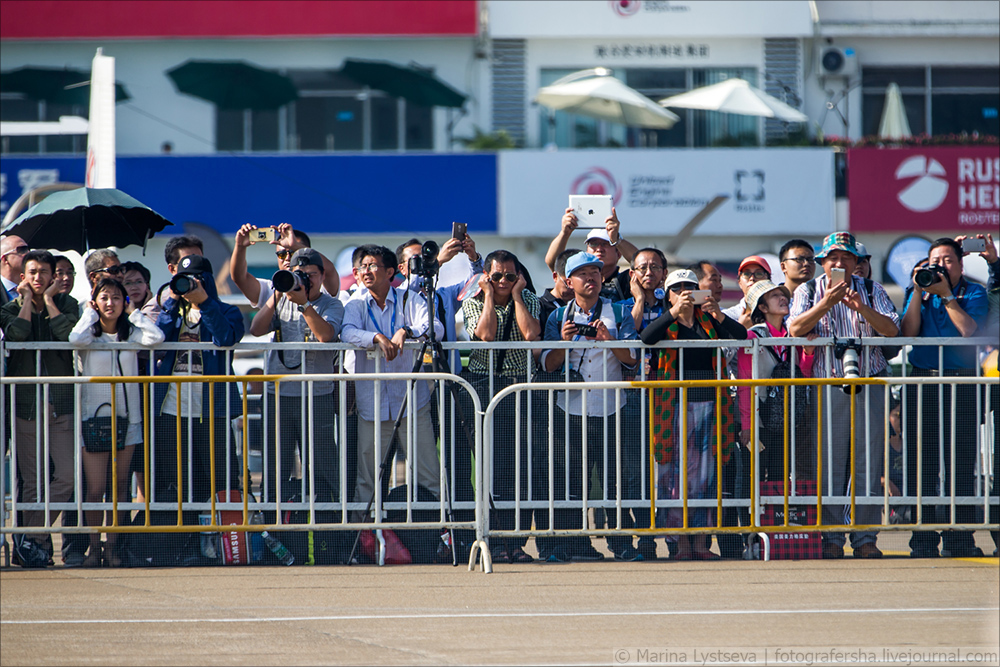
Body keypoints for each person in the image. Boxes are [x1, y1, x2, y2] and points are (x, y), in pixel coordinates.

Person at [788, 232, 900, 560]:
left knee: (868, 463)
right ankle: (832, 537)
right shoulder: (809, 289)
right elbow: (794, 329)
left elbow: (892, 330)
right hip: (827, 383)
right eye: (833, 258)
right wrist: (827, 304)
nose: (839, 263)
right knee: (830, 464)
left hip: (871, 380)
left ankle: (865, 537)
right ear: (823, 262)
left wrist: (859, 307)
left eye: (846, 258)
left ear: (856, 262)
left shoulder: (872, 289)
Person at [539, 252, 642, 562]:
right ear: (568, 281)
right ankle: (567, 543)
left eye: (595, 272)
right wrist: (564, 343)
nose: (591, 278)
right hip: (568, 410)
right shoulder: (558, 317)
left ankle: (621, 542)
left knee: (616, 479)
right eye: (582, 273)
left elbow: (633, 359)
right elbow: (547, 364)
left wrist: (608, 339)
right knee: (569, 479)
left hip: (613, 408)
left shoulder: (620, 312)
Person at [641, 269, 747, 560]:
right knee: (674, 480)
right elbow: (646, 339)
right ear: (668, 294)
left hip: (710, 409)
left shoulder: (709, 319)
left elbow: (741, 336)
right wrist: (674, 312)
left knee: (705, 479)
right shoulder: (666, 321)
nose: (685, 292)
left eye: (690, 287)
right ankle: (680, 544)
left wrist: (718, 314)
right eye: (678, 288)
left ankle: (701, 543)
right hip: (672, 409)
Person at [900, 237, 988, 558]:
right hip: (922, 383)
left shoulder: (973, 292)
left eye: (948, 260)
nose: (940, 266)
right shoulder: (918, 291)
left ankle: (960, 539)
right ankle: (922, 539)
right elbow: (908, 333)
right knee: (920, 464)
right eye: (934, 260)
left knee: (961, 464)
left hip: (961, 383)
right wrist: (918, 293)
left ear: (961, 265)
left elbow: (969, 331)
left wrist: (947, 296)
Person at [340, 245, 444, 517]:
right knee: (368, 479)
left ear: (390, 272)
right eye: (363, 267)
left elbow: (436, 328)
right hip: (370, 403)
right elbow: (347, 332)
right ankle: (365, 539)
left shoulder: (410, 298)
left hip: (412, 402)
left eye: (373, 266)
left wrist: (405, 331)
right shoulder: (356, 303)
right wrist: (375, 338)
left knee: (427, 474)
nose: (366, 272)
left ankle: (432, 536)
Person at [69, 278, 164, 566]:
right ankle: (94, 546)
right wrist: (89, 312)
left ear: (125, 302)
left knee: (120, 485)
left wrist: (134, 313)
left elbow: (156, 338)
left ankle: (113, 548)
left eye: (116, 298)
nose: (110, 303)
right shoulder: (89, 334)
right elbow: (75, 339)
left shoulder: (132, 333)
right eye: (104, 298)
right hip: (94, 420)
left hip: (129, 419)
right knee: (96, 488)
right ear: (95, 301)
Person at [0, 250, 80, 567]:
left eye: (44, 272)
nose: (38, 277)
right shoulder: (9, 308)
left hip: (60, 404)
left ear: (52, 276)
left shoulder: (68, 305)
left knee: (67, 477)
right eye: (32, 272)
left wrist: (48, 301)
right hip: (26, 406)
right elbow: (17, 334)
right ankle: (34, 544)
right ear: (23, 276)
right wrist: (25, 305)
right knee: (32, 484)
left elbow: (67, 335)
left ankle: (28, 535)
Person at [248, 248, 344, 506]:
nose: (306, 280)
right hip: (277, 395)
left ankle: (328, 525)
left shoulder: (331, 304)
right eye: (300, 275)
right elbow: (256, 329)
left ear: (323, 276)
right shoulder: (279, 301)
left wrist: (304, 304)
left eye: (311, 274)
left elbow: (326, 336)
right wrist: (278, 292)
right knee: (275, 465)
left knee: (322, 464)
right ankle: (273, 522)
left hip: (316, 395)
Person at [461, 249, 540, 564]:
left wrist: (518, 297)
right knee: (490, 467)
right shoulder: (474, 303)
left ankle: (516, 542)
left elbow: (532, 334)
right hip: (483, 385)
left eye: (510, 275)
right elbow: (486, 335)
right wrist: (489, 296)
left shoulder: (529, 299)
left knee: (520, 467)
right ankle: (490, 539)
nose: (505, 281)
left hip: (519, 384)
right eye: (497, 276)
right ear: (485, 277)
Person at [153, 254, 244, 515]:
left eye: (194, 279)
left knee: (220, 477)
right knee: (178, 479)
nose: (188, 285)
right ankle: (183, 543)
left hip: (211, 409)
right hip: (171, 409)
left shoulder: (227, 311)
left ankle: (223, 542)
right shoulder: (173, 311)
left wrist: (204, 303)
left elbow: (225, 338)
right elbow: (158, 340)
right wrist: (171, 303)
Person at [736, 280, 816, 483]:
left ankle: (775, 516)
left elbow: (802, 377)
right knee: (750, 478)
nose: (783, 298)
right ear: (762, 307)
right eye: (774, 296)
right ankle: (749, 516)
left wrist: (807, 354)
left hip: (786, 419)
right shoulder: (750, 337)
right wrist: (747, 425)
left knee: (780, 479)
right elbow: (745, 383)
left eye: (783, 295)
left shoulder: (793, 335)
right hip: (758, 420)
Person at [617, 247, 669, 560]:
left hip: (669, 393)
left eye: (655, 267)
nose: (648, 272)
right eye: (642, 267)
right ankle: (645, 538)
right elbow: (629, 335)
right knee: (636, 470)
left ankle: (676, 539)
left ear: (664, 271)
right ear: (632, 274)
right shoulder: (622, 306)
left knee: (669, 469)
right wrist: (638, 300)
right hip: (635, 395)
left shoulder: (674, 302)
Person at [229, 223, 340, 310]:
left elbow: (329, 271)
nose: (287, 258)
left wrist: (296, 246)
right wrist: (240, 246)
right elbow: (240, 278)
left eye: (293, 253)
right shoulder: (271, 289)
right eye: (281, 254)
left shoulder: (317, 284)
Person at [545, 207, 638, 302]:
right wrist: (565, 233)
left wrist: (617, 240)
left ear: (618, 254)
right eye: (593, 244)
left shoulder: (626, 281)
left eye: (606, 244)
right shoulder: (577, 277)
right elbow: (553, 262)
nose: (599, 249)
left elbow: (640, 263)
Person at [722, 255, 772, 328]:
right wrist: (740, 328)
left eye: (759, 273)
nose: (752, 278)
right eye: (746, 274)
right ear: (739, 283)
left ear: (769, 281)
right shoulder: (728, 316)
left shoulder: (780, 312)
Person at [538, 248, 579, 330]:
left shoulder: (589, 306)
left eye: (577, 284)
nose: (573, 289)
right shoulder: (539, 306)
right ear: (555, 277)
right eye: (567, 283)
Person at [0, 235, 30, 305]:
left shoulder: (35, 286)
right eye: (22, 250)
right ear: (5, 259)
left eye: (28, 249)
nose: (28, 253)